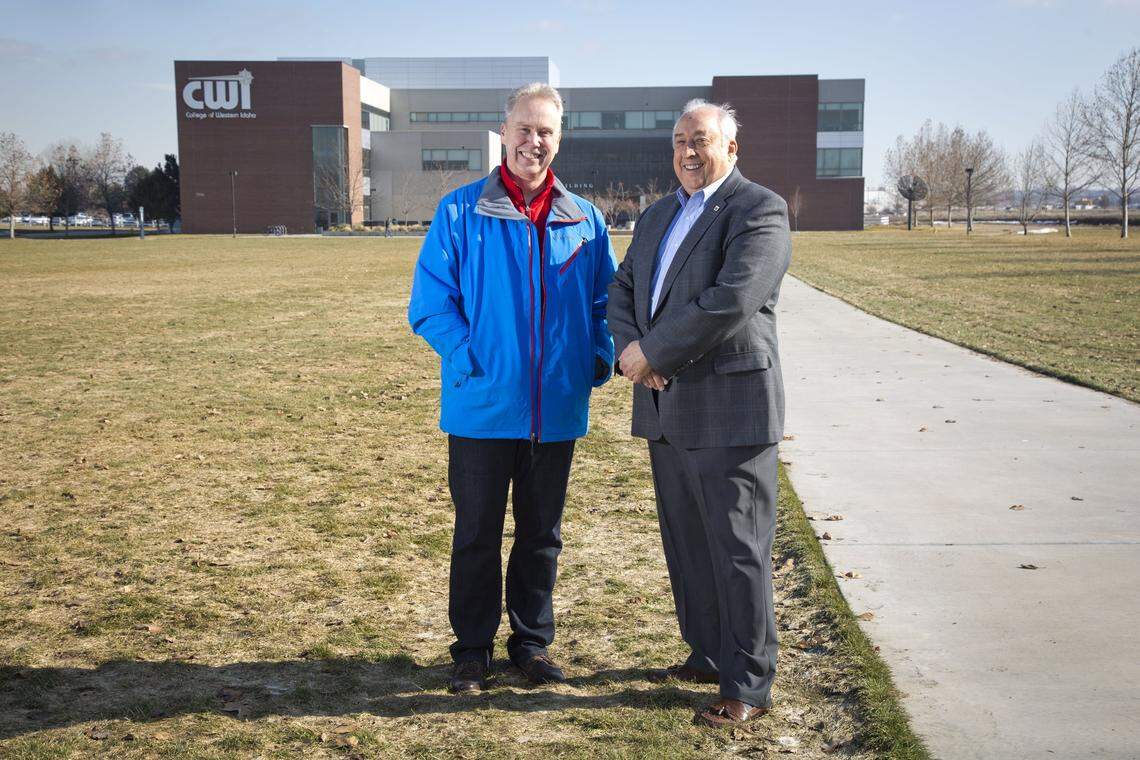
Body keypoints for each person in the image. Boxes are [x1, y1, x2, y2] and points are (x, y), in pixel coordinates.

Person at [408, 82, 617, 694]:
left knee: (541, 536)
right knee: (475, 534)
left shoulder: (584, 218)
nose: (533, 141)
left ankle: (531, 644)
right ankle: (471, 650)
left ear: (559, 138)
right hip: (481, 407)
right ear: (505, 133)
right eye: (523, 129)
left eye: (545, 131)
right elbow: (430, 305)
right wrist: (472, 359)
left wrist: (596, 357)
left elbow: (607, 302)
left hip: (555, 410)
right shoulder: (459, 212)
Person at [607, 99, 791, 727]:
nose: (689, 151)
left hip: (730, 406)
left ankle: (747, 683)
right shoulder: (658, 214)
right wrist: (633, 353)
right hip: (665, 404)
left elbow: (731, 299)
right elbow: (623, 287)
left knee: (738, 548)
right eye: (681, 140)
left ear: (731, 148)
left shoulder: (759, 209)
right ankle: (708, 652)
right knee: (687, 543)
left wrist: (653, 352)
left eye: (703, 140)